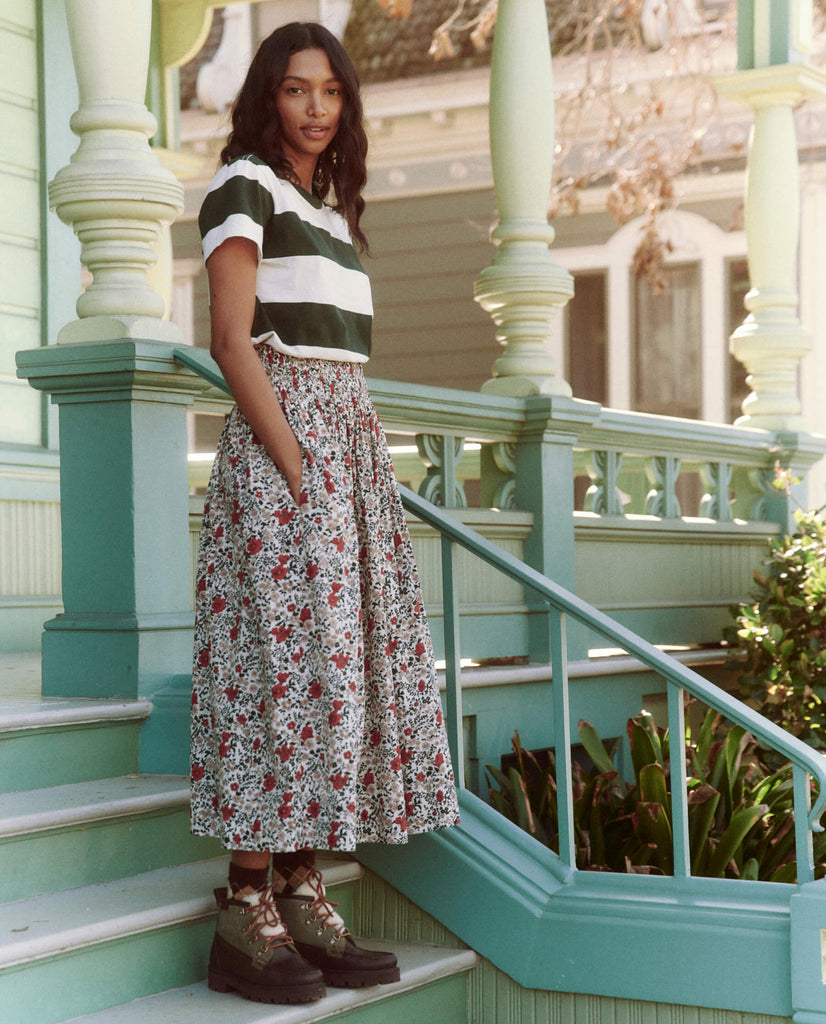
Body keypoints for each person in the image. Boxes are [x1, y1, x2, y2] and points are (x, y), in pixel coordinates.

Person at [189, 21, 460, 1007]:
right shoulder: (244, 188)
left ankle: (300, 888)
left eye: (331, 92)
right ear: (268, 96)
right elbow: (232, 341)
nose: (315, 107)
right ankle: (243, 905)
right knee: (278, 669)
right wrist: (299, 470)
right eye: (297, 89)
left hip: (344, 451)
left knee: (333, 675)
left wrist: (344, 473)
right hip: (286, 455)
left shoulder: (336, 217)